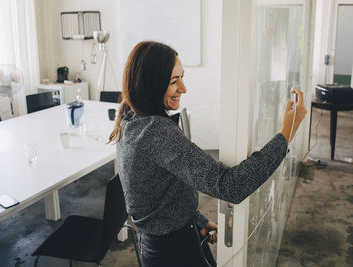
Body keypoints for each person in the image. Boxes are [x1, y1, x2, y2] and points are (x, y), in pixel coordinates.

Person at [109, 41, 307, 267]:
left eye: (182, 77)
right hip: (173, 252)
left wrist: (196, 221)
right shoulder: (155, 132)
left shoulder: (131, 118)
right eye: (174, 81)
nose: (183, 88)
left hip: (168, 241)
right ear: (152, 83)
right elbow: (230, 185)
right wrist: (285, 134)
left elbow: (159, 194)